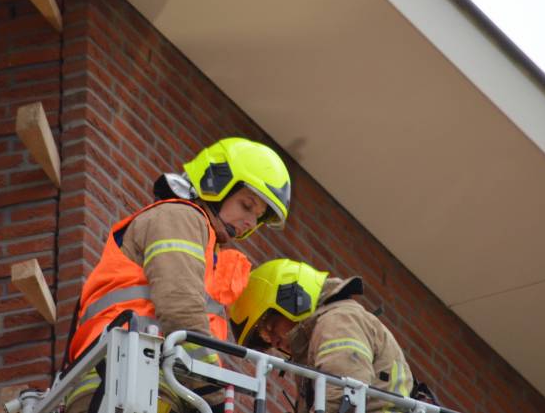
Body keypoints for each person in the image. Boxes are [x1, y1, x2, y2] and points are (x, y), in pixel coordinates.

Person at [64, 137, 292, 413]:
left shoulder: (203, 241)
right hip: (130, 377)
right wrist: (212, 391)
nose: (251, 222)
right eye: (247, 205)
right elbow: (179, 306)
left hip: (138, 377)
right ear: (216, 183)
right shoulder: (180, 217)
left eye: (258, 216)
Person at [229, 259, 413, 413]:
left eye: (271, 327)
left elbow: (343, 394)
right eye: (266, 339)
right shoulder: (318, 338)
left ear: (294, 297)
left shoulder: (338, 320)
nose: (274, 341)